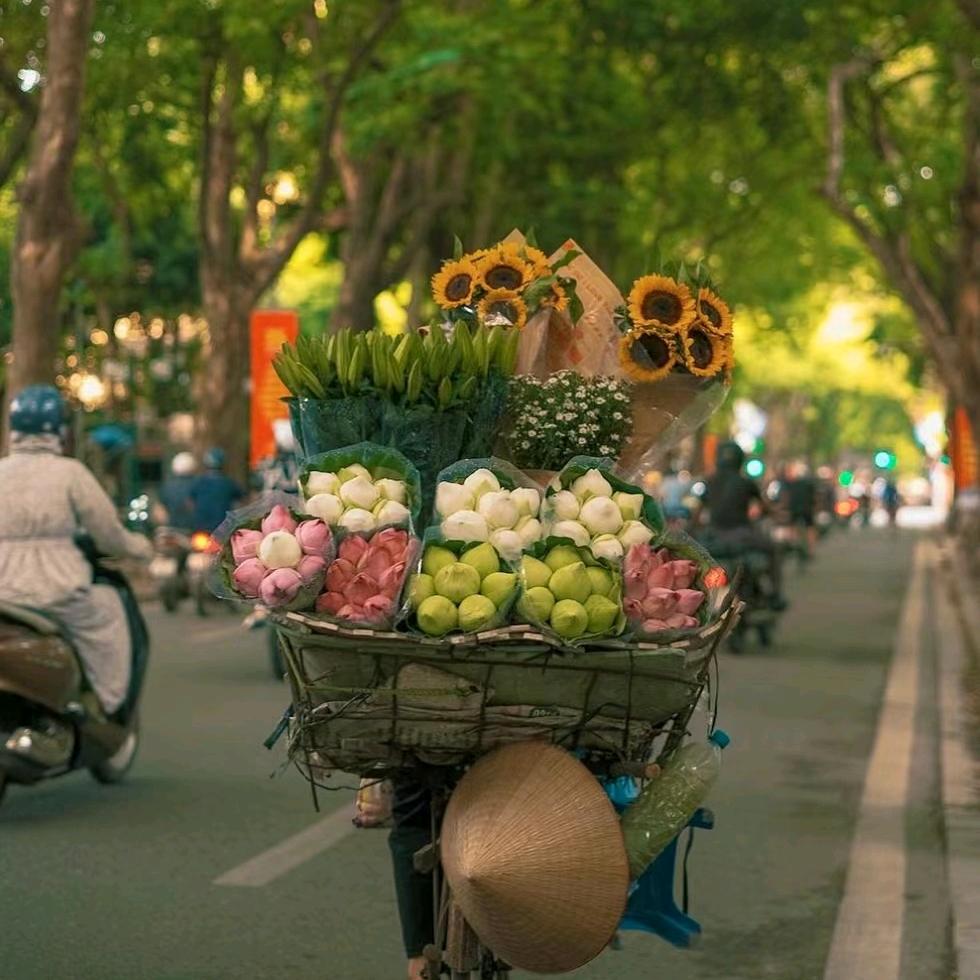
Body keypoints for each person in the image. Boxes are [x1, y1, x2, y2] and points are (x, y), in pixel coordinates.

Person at [0, 385, 152, 764]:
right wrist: (140, 549)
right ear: (60, 430)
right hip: (58, 587)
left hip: (4, 591)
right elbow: (109, 533)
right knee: (108, 609)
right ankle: (109, 700)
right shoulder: (70, 473)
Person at [699, 441, 785, 605]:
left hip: (713, 536)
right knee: (773, 550)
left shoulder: (708, 482)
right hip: (743, 535)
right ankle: (775, 595)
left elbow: (698, 512)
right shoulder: (746, 483)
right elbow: (764, 508)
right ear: (740, 460)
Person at [188, 447, 244, 532]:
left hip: (201, 528)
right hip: (223, 530)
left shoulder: (198, 482)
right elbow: (242, 501)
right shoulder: (228, 483)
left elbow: (189, 503)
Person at [158, 451, 197, 530]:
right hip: (192, 529)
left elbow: (160, 512)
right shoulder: (198, 484)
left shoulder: (167, 486)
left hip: (171, 529)